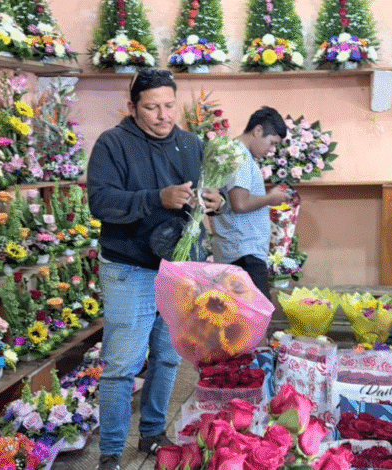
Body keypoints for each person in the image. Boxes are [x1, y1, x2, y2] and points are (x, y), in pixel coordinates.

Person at [87, 69, 224, 470]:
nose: (163, 115)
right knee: (122, 365)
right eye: (151, 107)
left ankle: (151, 433)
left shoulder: (190, 144)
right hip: (129, 268)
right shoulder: (113, 144)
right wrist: (156, 198)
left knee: (167, 357)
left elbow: (207, 198)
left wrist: (214, 202)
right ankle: (111, 450)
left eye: (169, 105)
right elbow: (101, 202)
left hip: (178, 270)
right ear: (133, 108)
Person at [209, 107, 291, 300]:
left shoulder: (231, 152)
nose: (271, 150)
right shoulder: (241, 156)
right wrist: (270, 198)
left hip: (236, 249)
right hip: (244, 252)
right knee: (256, 317)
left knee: (239, 317)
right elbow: (240, 204)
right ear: (258, 131)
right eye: (271, 143)